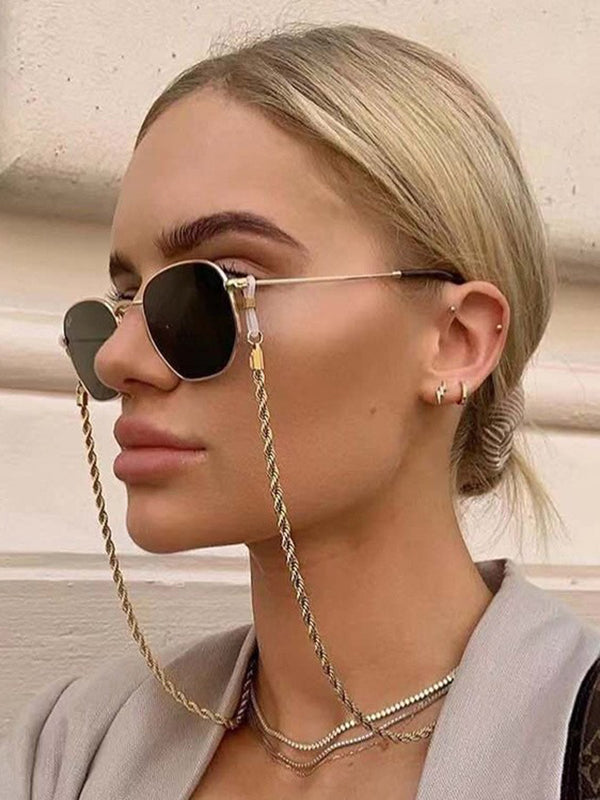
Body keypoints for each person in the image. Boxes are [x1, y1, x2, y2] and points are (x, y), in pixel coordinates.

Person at [2, 23, 599, 800]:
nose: (118, 359)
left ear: (455, 341)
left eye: (219, 285)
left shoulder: (576, 748)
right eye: (122, 299)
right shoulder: (70, 752)